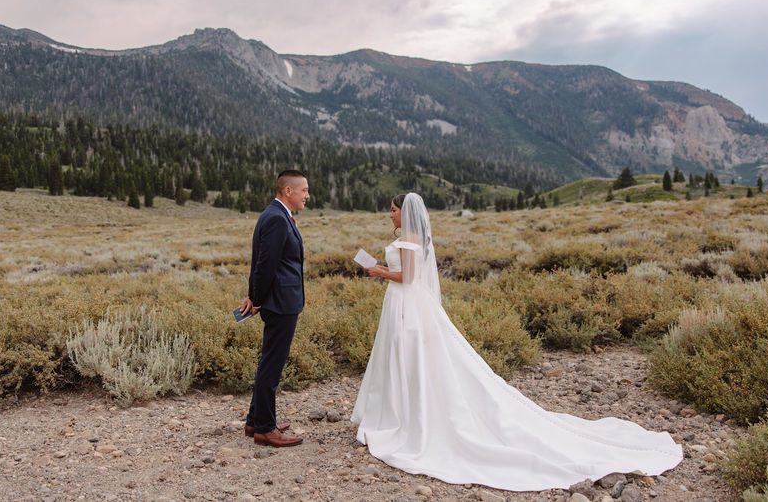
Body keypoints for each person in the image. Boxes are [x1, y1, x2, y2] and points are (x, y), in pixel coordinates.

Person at [351, 192, 682, 491]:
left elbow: (408, 278)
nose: (390, 215)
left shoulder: (409, 239)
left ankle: (407, 415)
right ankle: (403, 410)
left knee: (409, 355)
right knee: (406, 356)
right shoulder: (414, 237)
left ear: (405, 213)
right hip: (404, 304)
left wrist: (379, 271)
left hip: (406, 303)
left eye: (393, 211)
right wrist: (381, 269)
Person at [239, 169, 309, 447]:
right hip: (280, 303)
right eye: (304, 190)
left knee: (269, 360)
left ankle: (256, 419)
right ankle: (265, 429)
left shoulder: (274, 215)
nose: (307, 195)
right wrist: (255, 299)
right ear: (288, 191)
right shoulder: (277, 219)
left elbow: (261, 261)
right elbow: (264, 264)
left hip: (279, 300)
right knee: (272, 364)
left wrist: (254, 296)